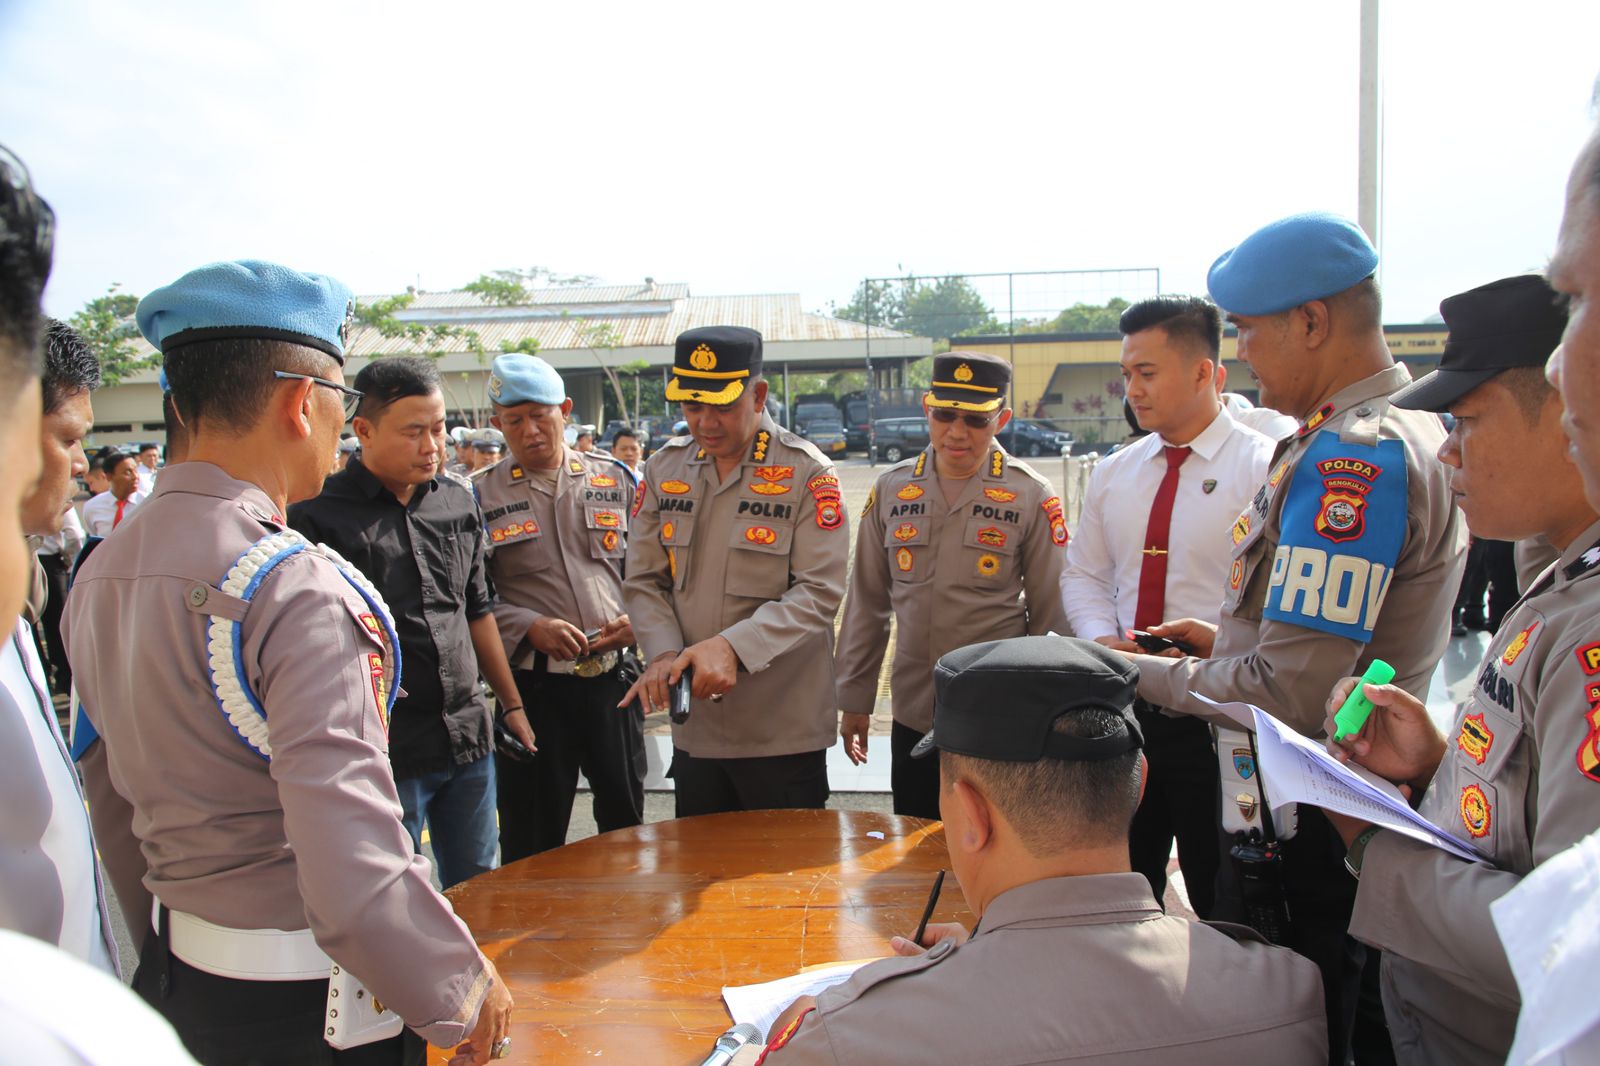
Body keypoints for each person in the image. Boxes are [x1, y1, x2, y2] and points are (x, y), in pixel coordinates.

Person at [64, 260, 512, 1065]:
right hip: (309, 1011)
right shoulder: (290, 584)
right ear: (303, 404)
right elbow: (352, 863)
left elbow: (111, 801)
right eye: (344, 409)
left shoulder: (102, 567)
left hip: (182, 979)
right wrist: (459, 988)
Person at [1126, 213, 1465, 1065]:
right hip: (1338, 806)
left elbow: (1292, 693)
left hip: (1313, 814)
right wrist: (1221, 640)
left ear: (1311, 322)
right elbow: (1318, 634)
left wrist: (1132, 672)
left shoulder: (1356, 456)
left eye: (1248, 328)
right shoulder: (1395, 427)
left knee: (1305, 1032)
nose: (1240, 351)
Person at [760, 635, 1327, 1065]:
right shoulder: (1287, 991)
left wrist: (797, 1029)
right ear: (1140, 785)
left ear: (972, 816)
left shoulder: (850, 1039)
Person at [1313, 273, 1594, 1065]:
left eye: (1467, 421)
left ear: (1570, 414)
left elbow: (1572, 943)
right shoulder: (1560, 579)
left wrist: (1378, 847)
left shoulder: (1590, 631)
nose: (1450, 450)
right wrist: (1439, 766)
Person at [1061, 296, 1275, 917]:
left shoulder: (1262, 471)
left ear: (1206, 372)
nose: (1132, 390)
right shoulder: (1116, 473)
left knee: (1226, 898)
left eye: (1147, 373)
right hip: (1125, 718)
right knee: (1121, 894)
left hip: (1218, 722)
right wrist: (1104, 640)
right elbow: (1086, 575)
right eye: (1127, 374)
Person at [289, 356, 523, 889]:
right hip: (386, 748)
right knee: (392, 893)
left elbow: (476, 610)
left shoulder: (457, 502)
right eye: (414, 432)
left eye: (438, 429)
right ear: (363, 430)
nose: (432, 446)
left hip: (466, 736)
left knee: (480, 883)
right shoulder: (317, 516)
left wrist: (511, 705)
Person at [623, 326, 848, 816]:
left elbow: (820, 591)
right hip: (698, 731)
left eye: (722, 406)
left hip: (780, 731)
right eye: (692, 406)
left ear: (759, 394)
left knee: (785, 884)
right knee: (699, 878)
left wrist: (731, 648)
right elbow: (643, 580)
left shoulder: (807, 473)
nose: (706, 422)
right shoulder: (665, 469)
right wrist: (662, 653)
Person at [834, 351, 1069, 819]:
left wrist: (1050, 721)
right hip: (914, 712)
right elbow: (867, 603)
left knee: (995, 849)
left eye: (976, 420)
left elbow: (1053, 617)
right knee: (914, 846)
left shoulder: (1031, 495)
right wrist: (856, 700)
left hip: (997, 716)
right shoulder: (892, 489)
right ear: (927, 409)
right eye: (944, 415)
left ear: (1001, 418)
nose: (957, 432)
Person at [475, 354, 644, 858]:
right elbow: (471, 598)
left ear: (565, 411)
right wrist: (528, 626)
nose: (529, 431)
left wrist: (641, 622)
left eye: (540, 416)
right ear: (495, 423)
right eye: (514, 420)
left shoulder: (616, 479)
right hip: (535, 691)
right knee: (532, 838)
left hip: (615, 684)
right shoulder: (477, 495)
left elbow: (654, 573)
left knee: (627, 829)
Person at [80, 449, 145, 536]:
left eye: (136, 470)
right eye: (128, 472)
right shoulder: (92, 507)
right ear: (109, 477)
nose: (135, 476)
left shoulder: (147, 502)